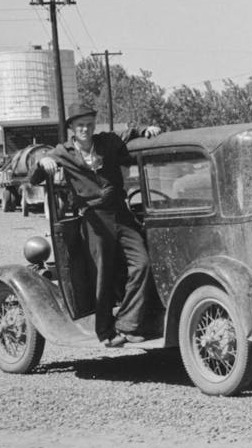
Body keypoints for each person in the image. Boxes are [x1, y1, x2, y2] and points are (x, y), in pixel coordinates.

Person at [30, 103, 163, 347]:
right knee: (102, 273)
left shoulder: (108, 141)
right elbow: (34, 178)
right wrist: (43, 162)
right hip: (94, 218)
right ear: (72, 127)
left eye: (90, 124)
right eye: (80, 125)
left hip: (120, 213)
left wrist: (146, 129)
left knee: (142, 263)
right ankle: (105, 331)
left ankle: (127, 324)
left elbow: (129, 132)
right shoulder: (62, 152)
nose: (86, 129)